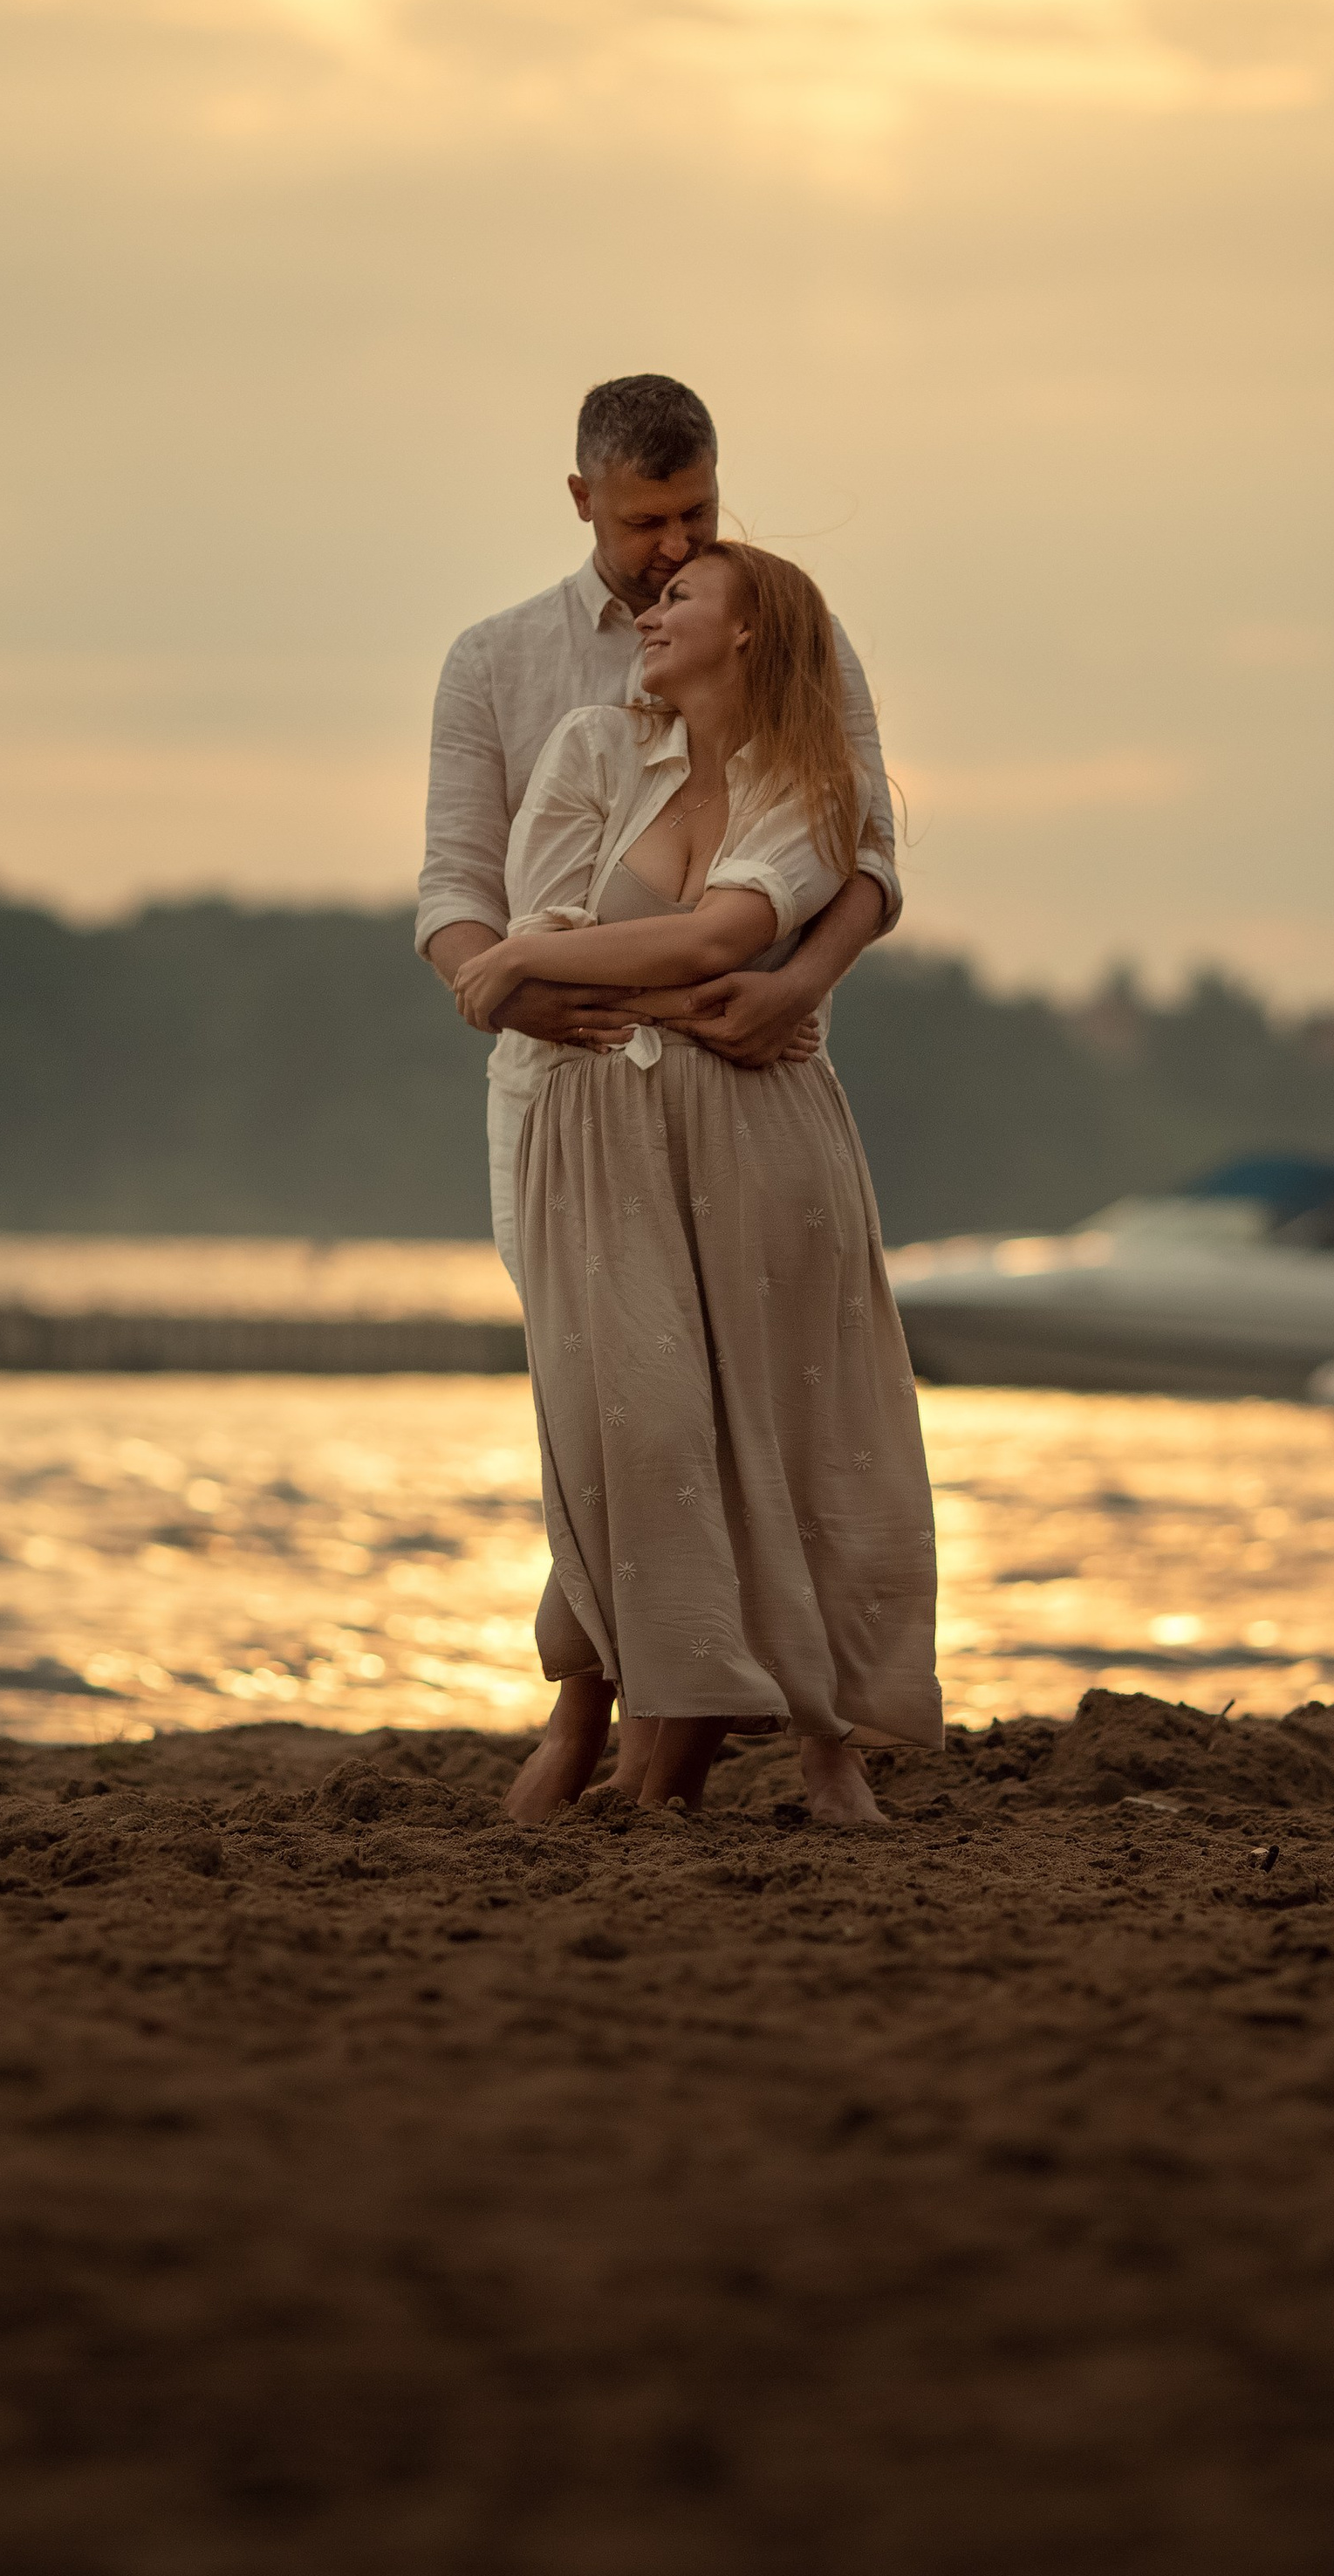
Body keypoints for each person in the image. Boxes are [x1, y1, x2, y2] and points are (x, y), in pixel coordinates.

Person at [451, 540, 943, 1827]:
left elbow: (726, 936)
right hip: (600, 1129)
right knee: (638, 1423)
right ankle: (610, 1702)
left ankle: (828, 1744)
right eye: (651, 596)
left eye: (682, 599)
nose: (652, 612)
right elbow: (540, 942)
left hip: (759, 1131)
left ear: (749, 637)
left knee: (793, 1431)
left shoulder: (815, 780)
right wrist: (550, 973)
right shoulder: (589, 751)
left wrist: (541, 974)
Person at [416, 374, 902, 1295]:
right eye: (646, 523)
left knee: (753, 1400)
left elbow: (866, 852)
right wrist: (509, 991)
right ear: (581, 499)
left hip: (751, 1073)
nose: (675, 543)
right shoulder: (493, 660)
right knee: (602, 1389)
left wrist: (797, 987)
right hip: (556, 1083)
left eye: (698, 511)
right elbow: (454, 887)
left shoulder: (800, 637)